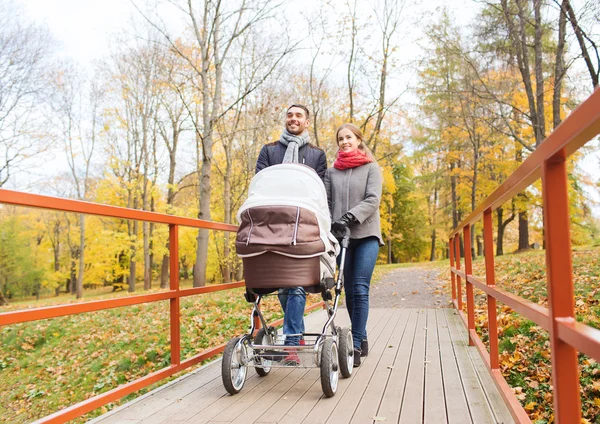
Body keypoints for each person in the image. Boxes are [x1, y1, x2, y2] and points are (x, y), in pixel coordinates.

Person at [255, 104, 327, 365]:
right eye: (290, 115)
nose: (293, 119)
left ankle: (292, 342)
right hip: (273, 225)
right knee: (284, 285)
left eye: (299, 116)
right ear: (285, 119)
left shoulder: (317, 155)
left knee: (295, 283)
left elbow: (319, 190)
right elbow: (260, 184)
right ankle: (292, 340)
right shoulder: (269, 150)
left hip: (302, 224)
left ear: (307, 122)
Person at [324, 123, 383, 367]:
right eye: (340, 138)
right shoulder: (331, 172)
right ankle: (363, 335)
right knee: (347, 288)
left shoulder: (371, 167)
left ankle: (356, 343)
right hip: (342, 239)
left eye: (348, 137)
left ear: (358, 140)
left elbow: (373, 199)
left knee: (360, 288)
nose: (344, 141)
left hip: (366, 234)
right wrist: (331, 224)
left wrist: (349, 216)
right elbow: (326, 202)